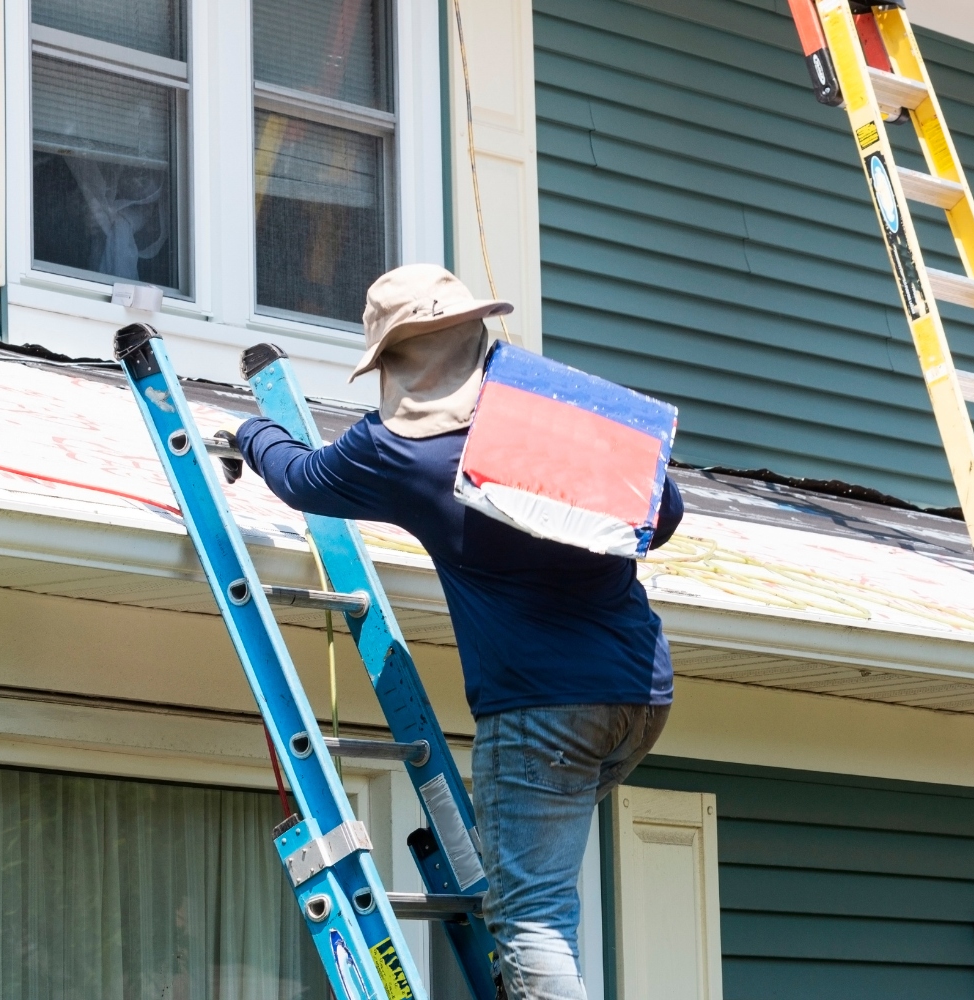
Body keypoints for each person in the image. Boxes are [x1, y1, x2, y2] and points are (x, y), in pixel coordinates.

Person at [236, 264, 682, 1000]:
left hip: (542, 709)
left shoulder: (397, 448)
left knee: (530, 916)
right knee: (533, 895)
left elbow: (302, 479)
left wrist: (250, 432)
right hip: (639, 695)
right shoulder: (559, 407)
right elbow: (662, 515)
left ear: (394, 361)